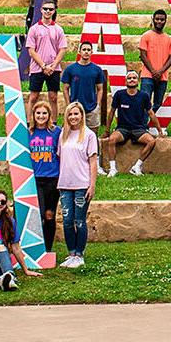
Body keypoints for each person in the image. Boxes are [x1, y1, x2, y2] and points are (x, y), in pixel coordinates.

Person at [57, 101, 98, 269]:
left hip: (82, 184)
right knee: (67, 221)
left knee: (79, 220)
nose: (73, 117)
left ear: (81, 115)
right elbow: (60, 158)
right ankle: (71, 253)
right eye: (70, 114)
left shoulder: (88, 135)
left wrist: (92, 185)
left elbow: (93, 162)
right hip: (65, 184)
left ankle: (80, 254)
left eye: (76, 114)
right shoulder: (63, 135)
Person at [103, 68, 162, 177]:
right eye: (129, 78)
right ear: (125, 81)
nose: (132, 80)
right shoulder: (119, 95)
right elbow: (111, 112)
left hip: (139, 129)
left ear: (138, 81)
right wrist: (107, 130)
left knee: (151, 141)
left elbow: (151, 114)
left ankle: (137, 166)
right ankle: (113, 169)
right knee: (111, 139)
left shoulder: (144, 96)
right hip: (122, 128)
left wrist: (160, 131)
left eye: (134, 78)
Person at [0, 190, 39, 290]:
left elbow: (16, 248)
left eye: (2, 202)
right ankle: (2, 281)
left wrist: (26, 270)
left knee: (0, 247)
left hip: (1, 259)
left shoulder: (10, 222)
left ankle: (9, 276)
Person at [28, 103, 62, 253]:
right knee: (39, 213)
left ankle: (47, 250)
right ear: (33, 115)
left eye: (44, 113)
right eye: (38, 113)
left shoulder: (56, 132)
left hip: (52, 179)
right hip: (34, 179)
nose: (41, 116)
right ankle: (33, 247)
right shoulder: (28, 132)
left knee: (49, 215)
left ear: (49, 115)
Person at [25, 0, 66, 118]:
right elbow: (31, 50)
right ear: (41, 10)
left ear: (54, 11)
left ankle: (53, 123)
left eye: (50, 9)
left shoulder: (58, 29)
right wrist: (43, 65)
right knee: (33, 96)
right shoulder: (34, 29)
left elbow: (62, 49)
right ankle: (30, 123)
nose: (48, 11)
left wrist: (53, 65)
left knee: (53, 97)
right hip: (37, 67)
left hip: (54, 68)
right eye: (45, 9)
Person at [61, 42, 106, 136]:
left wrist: (97, 105)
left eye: (88, 50)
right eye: (84, 49)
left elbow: (100, 89)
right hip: (75, 108)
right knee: (71, 134)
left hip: (91, 108)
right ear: (79, 51)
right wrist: (68, 104)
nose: (86, 52)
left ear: (92, 52)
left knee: (93, 135)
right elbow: (65, 88)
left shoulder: (97, 69)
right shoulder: (70, 69)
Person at [138, 9, 171, 111]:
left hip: (162, 77)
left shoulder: (169, 39)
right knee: (144, 102)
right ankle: (142, 125)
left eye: (162, 20)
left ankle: (153, 125)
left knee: (158, 104)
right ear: (153, 19)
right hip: (147, 75)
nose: (159, 21)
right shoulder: (146, 36)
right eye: (157, 19)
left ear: (166, 21)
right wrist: (153, 71)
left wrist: (160, 71)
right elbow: (143, 55)